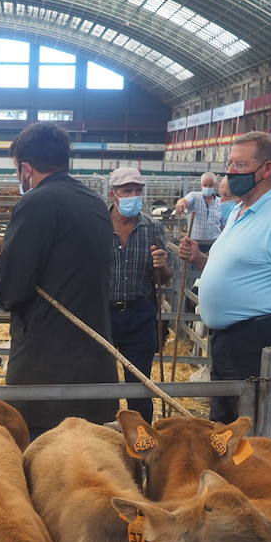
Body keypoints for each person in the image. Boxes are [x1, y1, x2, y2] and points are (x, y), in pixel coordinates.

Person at [0, 122, 117, 436]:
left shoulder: (35, 203)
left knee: (45, 465)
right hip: (92, 366)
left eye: (18, 170)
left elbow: (12, 290)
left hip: (48, 370)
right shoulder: (93, 202)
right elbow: (58, 255)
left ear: (27, 169)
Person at [176, 131, 271, 424]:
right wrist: (201, 259)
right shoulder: (240, 211)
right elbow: (240, 268)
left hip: (258, 342)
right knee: (225, 430)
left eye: (239, 165)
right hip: (228, 342)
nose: (229, 172)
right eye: (229, 163)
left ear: (266, 169)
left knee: (252, 430)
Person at [103, 167, 172, 423]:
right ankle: (102, 436)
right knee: (101, 382)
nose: (134, 195)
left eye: (138, 190)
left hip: (139, 315)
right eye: (127, 190)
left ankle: (143, 444)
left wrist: (162, 264)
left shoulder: (152, 228)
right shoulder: (97, 224)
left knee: (140, 385)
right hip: (102, 315)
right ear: (113, 194)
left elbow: (164, 280)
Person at [173, 172, 223, 252]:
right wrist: (180, 203)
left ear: (215, 185)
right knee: (194, 262)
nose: (207, 188)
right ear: (201, 185)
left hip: (214, 243)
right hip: (195, 243)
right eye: (205, 185)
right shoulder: (194, 196)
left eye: (210, 185)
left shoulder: (220, 202)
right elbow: (185, 201)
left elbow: (223, 223)